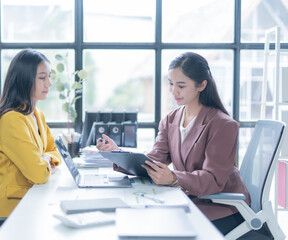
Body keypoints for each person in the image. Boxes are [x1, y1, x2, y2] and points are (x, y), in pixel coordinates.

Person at [97, 52, 260, 237]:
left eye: (181, 85)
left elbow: (213, 180)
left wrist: (174, 178)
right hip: (188, 198)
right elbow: (154, 159)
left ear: (201, 85)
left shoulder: (222, 124)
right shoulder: (171, 119)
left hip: (220, 208)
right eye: (171, 83)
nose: (174, 91)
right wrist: (118, 154)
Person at [0, 49, 62, 240]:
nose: (49, 83)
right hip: (7, 217)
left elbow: (55, 151)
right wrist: (45, 160)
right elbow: (39, 174)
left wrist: (45, 157)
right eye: (42, 77)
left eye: (49, 76)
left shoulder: (37, 114)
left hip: (27, 206)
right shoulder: (12, 120)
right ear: (24, 79)